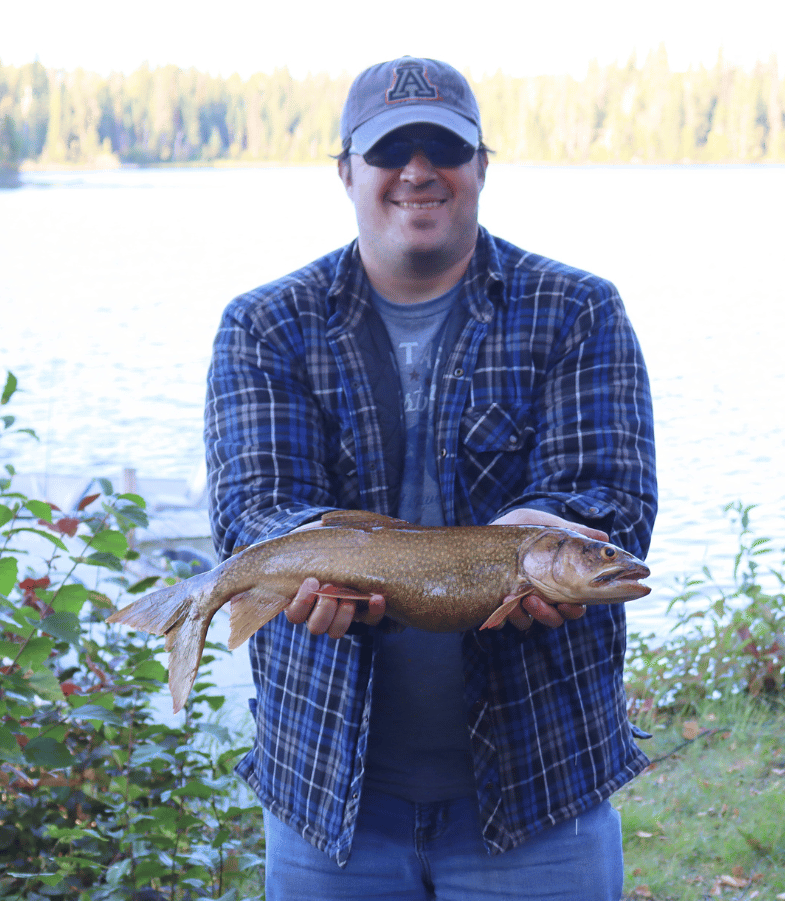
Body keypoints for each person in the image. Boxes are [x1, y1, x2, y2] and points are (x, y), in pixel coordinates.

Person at [205, 56, 657, 901]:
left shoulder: (577, 308)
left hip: (541, 789)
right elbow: (252, 510)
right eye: (388, 151)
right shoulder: (264, 325)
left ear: (481, 164)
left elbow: (612, 495)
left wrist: (545, 523)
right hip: (325, 797)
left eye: (443, 148)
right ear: (346, 171)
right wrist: (305, 562)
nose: (417, 171)